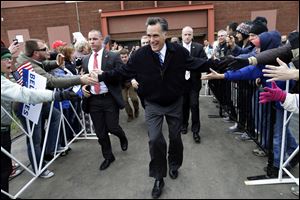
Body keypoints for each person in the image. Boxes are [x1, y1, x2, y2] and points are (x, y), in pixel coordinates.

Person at [91, 17, 215, 199]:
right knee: (155, 140)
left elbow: (198, 63)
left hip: (174, 104)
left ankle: (174, 164)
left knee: (175, 138)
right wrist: (102, 76)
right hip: (153, 105)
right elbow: (123, 72)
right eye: (149, 36)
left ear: (165, 34)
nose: (152, 40)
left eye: (156, 35)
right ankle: (158, 177)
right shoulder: (140, 55)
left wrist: (226, 64)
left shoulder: (178, 51)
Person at [1, 47, 78, 199]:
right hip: (26, 106)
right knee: (33, 138)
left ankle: (49, 150)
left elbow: (45, 65)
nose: (10, 60)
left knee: (4, 167)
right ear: (35, 52)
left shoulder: (13, 72)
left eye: (10, 57)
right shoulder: (22, 67)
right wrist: (59, 94)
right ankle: (38, 167)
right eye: (5, 58)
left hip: (10, 123)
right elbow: (24, 93)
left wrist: (55, 64)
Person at [81, 29, 128, 171]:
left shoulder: (112, 56)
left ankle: (122, 136)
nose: (92, 42)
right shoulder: (85, 59)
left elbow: (122, 75)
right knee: (100, 132)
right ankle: (108, 156)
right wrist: (83, 87)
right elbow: (84, 78)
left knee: (112, 127)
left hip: (109, 98)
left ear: (101, 40)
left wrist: (105, 74)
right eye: (90, 39)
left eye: (95, 39)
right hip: (93, 100)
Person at [180, 26, 207, 143]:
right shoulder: (176, 48)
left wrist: (194, 65)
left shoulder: (199, 47)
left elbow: (204, 61)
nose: (187, 37)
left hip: (194, 82)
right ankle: (184, 125)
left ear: (192, 35)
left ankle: (196, 131)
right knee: (183, 106)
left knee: (194, 105)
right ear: (182, 35)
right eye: (185, 34)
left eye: (189, 34)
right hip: (181, 83)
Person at [119, 48, 139, 122]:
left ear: (128, 56)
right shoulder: (118, 64)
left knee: (134, 98)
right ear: (120, 57)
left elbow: (135, 73)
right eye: (122, 57)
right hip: (122, 85)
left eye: (125, 57)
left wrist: (133, 80)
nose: (124, 59)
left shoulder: (132, 63)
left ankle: (136, 109)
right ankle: (130, 115)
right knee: (124, 100)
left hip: (131, 83)